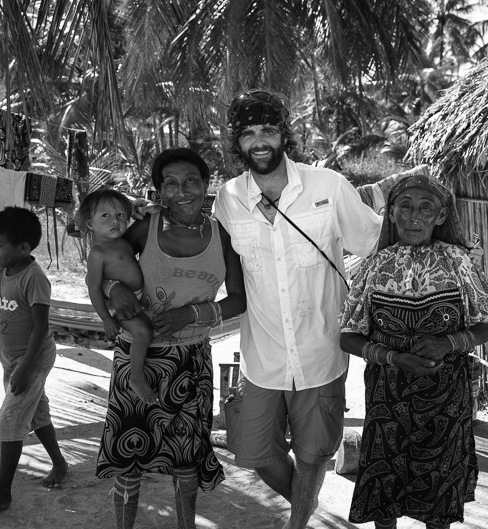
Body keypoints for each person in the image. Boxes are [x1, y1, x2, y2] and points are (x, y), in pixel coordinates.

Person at [212, 89, 385, 529]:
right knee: (255, 452)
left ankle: (297, 525)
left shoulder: (327, 186)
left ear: (283, 132)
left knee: (314, 453)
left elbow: (374, 242)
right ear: (238, 142)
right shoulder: (227, 200)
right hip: (262, 356)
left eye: (268, 129)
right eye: (248, 133)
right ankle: (306, 509)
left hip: (321, 352)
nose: (260, 141)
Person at [338, 174, 488, 529]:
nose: (414, 216)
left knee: (438, 493)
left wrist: (448, 343)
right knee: (385, 489)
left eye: (426, 208)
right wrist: (394, 357)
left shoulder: (460, 264)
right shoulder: (374, 268)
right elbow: (347, 336)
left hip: (445, 402)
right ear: (390, 213)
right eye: (405, 207)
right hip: (387, 402)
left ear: (441, 217)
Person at [96, 148, 247, 529]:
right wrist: (115, 288)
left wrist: (190, 314)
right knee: (128, 459)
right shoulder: (146, 228)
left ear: (206, 184)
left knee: (186, 457)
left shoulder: (222, 235)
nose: (182, 191)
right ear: (160, 189)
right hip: (137, 359)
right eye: (171, 183)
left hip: (191, 361)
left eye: (191, 181)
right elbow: (106, 262)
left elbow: (239, 300)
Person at [0, 206, 68, 513]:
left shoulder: (34, 278)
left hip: (31, 359)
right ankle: (60, 464)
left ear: (23, 247)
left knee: (9, 421)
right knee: (36, 413)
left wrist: (25, 370)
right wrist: (2, 223)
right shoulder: (5, 263)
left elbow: (41, 328)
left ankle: (2, 492)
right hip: (11, 357)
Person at [78, 189, 157, 404]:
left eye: (121, 215)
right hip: (119, 305)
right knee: (142, 332)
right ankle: (137, 377)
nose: (115, 221)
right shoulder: (98, 252)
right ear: (89, 224)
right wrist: (105, 318)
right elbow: (93, 287)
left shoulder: (123, 241)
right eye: (105, 216)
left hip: (140, 298)